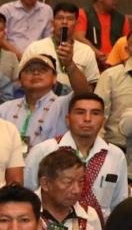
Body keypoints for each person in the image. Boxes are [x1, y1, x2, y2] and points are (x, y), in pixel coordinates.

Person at [25, 92, 126, 220]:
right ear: (67, 119)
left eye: (95, 113)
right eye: (80, 112)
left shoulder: (116, 155)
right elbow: (28, 194)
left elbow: (118, 204)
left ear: (103, 121)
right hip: (50, 228)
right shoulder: (45, 150)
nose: (87, 119)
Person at [34, 146, 102, 230]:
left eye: (81, 182)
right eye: (68, 182)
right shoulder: (25, 214)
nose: (76, 190)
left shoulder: (89, 216)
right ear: (45, 183)